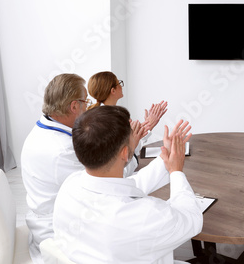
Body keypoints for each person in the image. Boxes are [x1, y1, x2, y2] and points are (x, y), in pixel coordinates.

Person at [52, 106, 203, 263]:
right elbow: (191, 219)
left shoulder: (70, 186)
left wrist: (167, 159)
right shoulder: (145, 214)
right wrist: (176, 172)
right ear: (125, 153)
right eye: (132, 133)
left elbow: (126, 187)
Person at [20, 73, 144, 263]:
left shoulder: (42, 130)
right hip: (61, 235)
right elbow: (107, 183)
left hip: (52, 217)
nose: (88, 106)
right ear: (74, 106)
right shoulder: (62, 150)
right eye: (85, 101)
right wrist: (131, 151)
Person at [87, 71, 168, 167]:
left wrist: (146, 126)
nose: (121, 86)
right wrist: (146, 127)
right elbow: (126, 155)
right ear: (113, 90)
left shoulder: (101, 114)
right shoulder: (111, 121)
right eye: (119, 83)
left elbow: (131, 147)